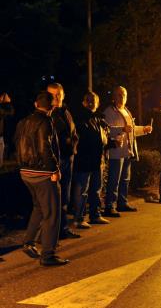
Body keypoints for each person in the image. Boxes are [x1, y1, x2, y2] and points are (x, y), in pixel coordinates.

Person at [15, 91, 69, 266]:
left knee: (38, 207)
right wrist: (55, 169)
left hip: (26, 172)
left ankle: (28, 242)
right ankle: (48, 255)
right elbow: (46, 148)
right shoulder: (46, 121)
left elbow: (16, 143)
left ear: (36, 104)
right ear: (52, 106)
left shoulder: (23, 122)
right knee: (52, 214)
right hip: (43, 173)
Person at [103, 86, 152, 216]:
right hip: (117, 151)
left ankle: (122, 203)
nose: (122, 97)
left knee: (125, 178)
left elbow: (132, 129)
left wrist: (144, 130)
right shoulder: (109, 111)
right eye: (119, 94)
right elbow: (106, 130)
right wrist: (122, 129)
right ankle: (110, 206)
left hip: (127, 151)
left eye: (124, 94)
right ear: (113, 97)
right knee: (114, 179)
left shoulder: (126, 111)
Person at [71, 92, 111, 229]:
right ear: (83, 102)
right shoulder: (81, 118)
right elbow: (85, 139)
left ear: (98, 103)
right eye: (88, 100)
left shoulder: (98, 119)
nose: (91, 102)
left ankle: (95, 215)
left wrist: (111, 143)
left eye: (93, 100)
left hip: (97, 160)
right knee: (82, 190)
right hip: (84, 160)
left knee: (96, 189)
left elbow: (101, 140)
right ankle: (79, 218)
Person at [48, 83, 80, 240]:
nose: (56, 98)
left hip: (68, 158)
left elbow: (74, 132)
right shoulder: (48, 114)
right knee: (55, 197)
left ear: (63, 95)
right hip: (56, 161)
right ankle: (53, 233)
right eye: (53, 95)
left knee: (65, 196)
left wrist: (74, 144)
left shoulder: (66, 112)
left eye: (58, 94)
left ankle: (63, 229)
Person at [0, 93, 14, 168]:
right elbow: (9, 113)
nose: (9, 98)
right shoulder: (2, 108)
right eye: (7, 96)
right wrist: (7, 103)